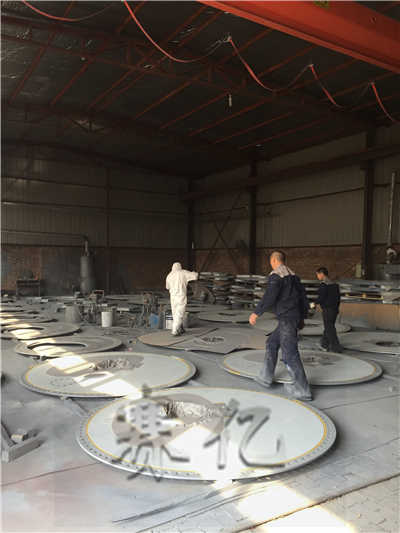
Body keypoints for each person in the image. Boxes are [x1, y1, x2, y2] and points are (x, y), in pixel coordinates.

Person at [249, 251, 312, 401]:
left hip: (287, 319)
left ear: (273, 260)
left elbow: (269, 297)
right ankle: (265, 377)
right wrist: (302, 318)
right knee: (271, 342)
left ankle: (303, 390)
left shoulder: (276, 275)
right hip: (291, 317)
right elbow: (303, 298)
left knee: (289, 353)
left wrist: (256, 313)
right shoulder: (294, 276)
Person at [311, 267, 342, 353]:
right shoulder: (335, 285)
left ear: (321, 274)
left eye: (317, 275)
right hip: (334, 309)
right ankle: (324, 344)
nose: (317, 277)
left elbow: (321, 298)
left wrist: (313, 304)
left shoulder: (323, 285)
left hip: (327, 310)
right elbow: (338, 299)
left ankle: (336, 347)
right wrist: (336, 309)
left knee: (330, 328)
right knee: (329, 326)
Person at [166, 262, 198, 336]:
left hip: (172, 296)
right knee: (180, 312)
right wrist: (195, 272)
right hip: (180, 295)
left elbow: (167, 287)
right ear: (180, 267)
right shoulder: (183, 272)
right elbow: (195, 276)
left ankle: (180, 328)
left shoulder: (169, 275)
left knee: (175, 313)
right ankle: (174, 330)